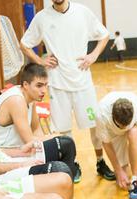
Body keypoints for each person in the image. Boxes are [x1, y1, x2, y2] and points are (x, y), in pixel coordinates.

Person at [19, 0, 116, 183]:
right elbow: (24, 44)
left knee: (94, 125)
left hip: (82, 81)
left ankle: (100, 162)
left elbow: (104, 35)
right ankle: (73, 164)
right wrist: (40, 61)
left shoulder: (83, 12)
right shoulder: (42, 18)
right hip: (57, 83)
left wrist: (93, 55)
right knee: (63, 129)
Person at [95, 91, 137, 199]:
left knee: (133, 132)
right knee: (122, 177)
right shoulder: (101, 114)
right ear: (112, 116)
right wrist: (117, 170)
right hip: (113, 133)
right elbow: (106, 143)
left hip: (133, 130)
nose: (124, 128)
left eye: (126, 125)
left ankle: (135, 178)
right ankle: (129, 162)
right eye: (121, 126)